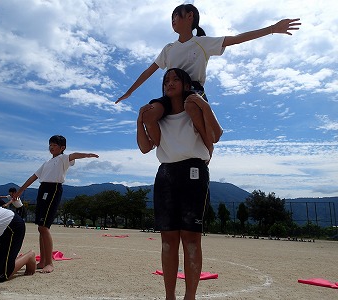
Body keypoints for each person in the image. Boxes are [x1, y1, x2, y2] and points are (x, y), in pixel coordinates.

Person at [118, 3, 301, 156]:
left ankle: (208, 147)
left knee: (191, 105)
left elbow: (236, 39)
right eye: (171, 17)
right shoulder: (168, 48)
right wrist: (129, 91)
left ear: (190, 16)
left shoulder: (202, 42)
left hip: (193, 90)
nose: (173, 20)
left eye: (177, 15)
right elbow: (148, 71)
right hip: (171, 89)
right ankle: (160, 147)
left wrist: (272, 29)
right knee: (149, 113)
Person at [137, 68, 222, 300]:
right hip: (166, 173)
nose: (169, 83)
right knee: (168, 240)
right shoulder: (159, 116)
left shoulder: (192, 109)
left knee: (191, 238)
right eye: (166, 80)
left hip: (193, 170)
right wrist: (139, 120)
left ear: (187, 85)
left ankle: (190, 296)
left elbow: (216, 135)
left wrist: (204, 104)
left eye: (176, 79)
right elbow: (145, 148)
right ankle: (170, 296)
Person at [13, 135, 99, 274]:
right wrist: (20, 190)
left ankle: (49, 263)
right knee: (40, 228)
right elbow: (33, 177)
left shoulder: (63, 159)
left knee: (44, 227)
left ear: (62, 147)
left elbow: (74, 155)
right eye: (50, 145)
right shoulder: (46, 163)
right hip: (42, 190)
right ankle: (41, 262)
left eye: (54, 145)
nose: (51, 147)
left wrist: (88, 155)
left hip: (53, 190)